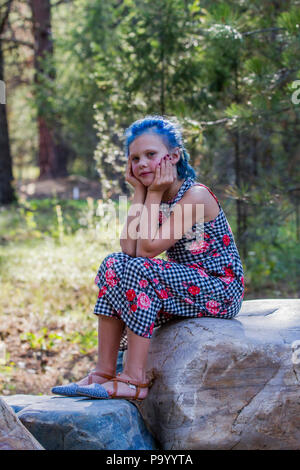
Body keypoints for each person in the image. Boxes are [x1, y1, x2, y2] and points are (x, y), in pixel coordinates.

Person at [52, 115, 245, 401]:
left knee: (141, 269)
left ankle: (134, 379)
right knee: (113, 265)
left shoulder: (195, 196)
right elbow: (128, 249)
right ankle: (104, 371)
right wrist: (139, 193)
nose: (141, 163)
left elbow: (146, 251)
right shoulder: (156, 194)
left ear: (174, 156)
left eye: (150, 155)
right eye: (135, 158)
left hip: (220, 289)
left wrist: (151, 192)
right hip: (182, 286)